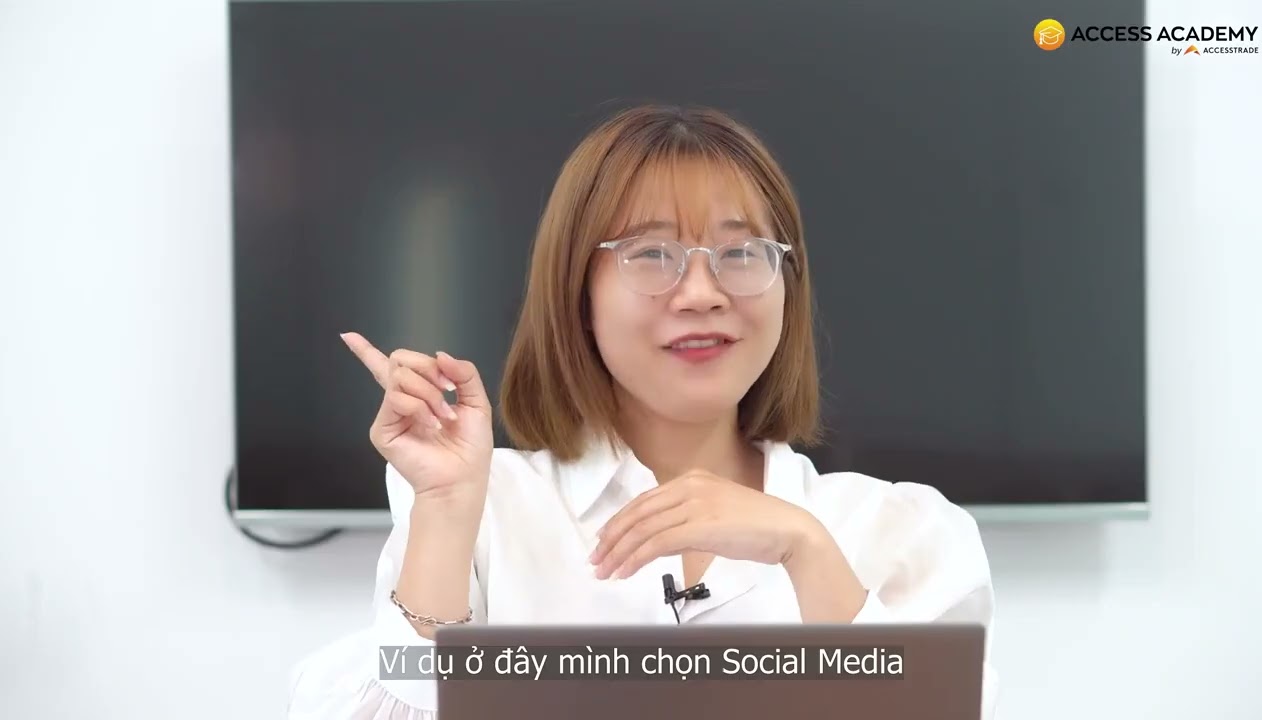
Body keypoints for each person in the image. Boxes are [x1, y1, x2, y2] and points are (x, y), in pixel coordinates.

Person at [286, 104, 998, 719]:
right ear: (578, 294)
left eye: (741, 252)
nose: (702, 293)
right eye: (653, 254)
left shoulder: (899, 532)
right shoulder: (488, 511)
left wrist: (806, 551)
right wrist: (445, 511)